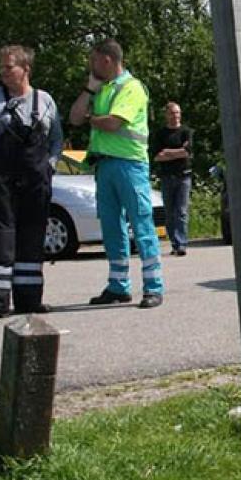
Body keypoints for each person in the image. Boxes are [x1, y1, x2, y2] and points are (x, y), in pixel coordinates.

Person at [0, 45, 64, 322]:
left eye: (9, 67)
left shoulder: (45, 101)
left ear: (25, 69)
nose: (3, 72)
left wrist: (49, 166)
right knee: (0, 241)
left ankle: (29, 300)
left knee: (32, 239)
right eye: (1, 67)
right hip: (0, 185)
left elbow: (57, 140)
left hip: (36, 183)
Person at [68, 38, 163, 308]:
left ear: (106, 59)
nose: (90, 64)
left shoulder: (131, 87)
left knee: (141, 224)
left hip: (130, 164)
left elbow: (112, 123)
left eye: (93, 59)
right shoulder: (101, 88)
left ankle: (153, 287)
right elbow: (74, 117)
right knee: (111, 227)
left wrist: (90, 119)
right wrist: (88, 89)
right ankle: (118, 286)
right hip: (105, 165)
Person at [150, 102, 193, 256]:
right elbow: (157, 156)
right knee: (169, 213)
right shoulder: (161, 134)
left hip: (184, 176)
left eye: (177, 113)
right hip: (167, 177)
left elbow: (187, 153)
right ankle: (174, 243)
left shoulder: (186, 132)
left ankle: (182, 244)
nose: (175, 116)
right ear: (167, 115)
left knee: (181, 211)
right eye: (172, 113)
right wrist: (178, 152)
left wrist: (168, 152)